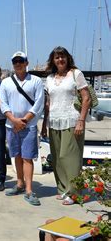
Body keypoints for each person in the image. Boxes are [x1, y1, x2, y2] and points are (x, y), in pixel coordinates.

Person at [41, 46, 90, 205]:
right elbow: (48, 103)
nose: (60, 60)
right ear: (53, 61)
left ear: (68, 58)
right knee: (57, 159)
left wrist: (81, 121)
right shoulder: (49, 78)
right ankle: (63, 189)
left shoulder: (76, 74)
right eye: (57, 57)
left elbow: (86, 98)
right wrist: (44, 125)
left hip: (72, 120)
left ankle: (74, 193)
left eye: (63, 57)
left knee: (70, 158)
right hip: (54, 121)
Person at [0, 51, 44, 206]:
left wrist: (24, 121)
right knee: (16, 156)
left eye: (21, 60)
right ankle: (19, 184)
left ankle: (29, 190)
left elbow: (39, 103)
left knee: (27, 157)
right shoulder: (6, 82)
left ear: (27, 62)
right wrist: (13, 120)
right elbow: (3, 103)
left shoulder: (37, 81)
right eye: (15, 61)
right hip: (11, 125)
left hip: (29, 125)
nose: (18, 63)